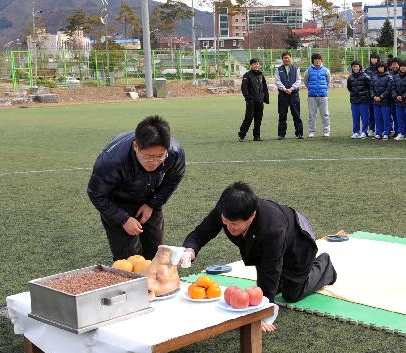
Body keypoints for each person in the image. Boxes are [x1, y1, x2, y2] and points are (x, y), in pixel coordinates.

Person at [182, 182, 336, 333]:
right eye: (225, 222)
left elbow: (270, 269)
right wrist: (190, 250)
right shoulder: (226, 210)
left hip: (299, 241)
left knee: (291, 295)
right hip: (266, 245)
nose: (229, 227)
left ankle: (325, 266)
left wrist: (263, 312)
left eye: (234, 224)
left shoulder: (272, 227)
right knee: (269, 286)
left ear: (253, 215)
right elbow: (201, 233)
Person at [88, 115, 186, 261]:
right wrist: (123, 219)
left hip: (149, 196)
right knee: (129, 257)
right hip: (117, 202)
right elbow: (96, 193)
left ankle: (154, 282)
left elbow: (173, 179)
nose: (154, 162)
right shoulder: (112, 161)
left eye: (160, 156)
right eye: (149, 157)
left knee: (156, 250)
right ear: (135, 147)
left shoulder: (174, 153)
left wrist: (152, 204)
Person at [239, 58, 269, 142]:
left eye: (257, 64)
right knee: (249, 117)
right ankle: (241, 134)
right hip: (251, 101)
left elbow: (264, 87)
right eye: (254, 64)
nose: (256, 65)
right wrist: (248, 99)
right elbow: (244, 88)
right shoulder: (247, 75)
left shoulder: (260, 75)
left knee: (258, 119)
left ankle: (257, 136)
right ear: (251, 65)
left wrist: (265, 98)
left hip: (260, 101)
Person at [274, 52, 303, 140]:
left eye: (288, 58)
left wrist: (291, 88)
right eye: (284, 58)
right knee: (282, 115)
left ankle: (299, 133)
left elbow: (298, 80)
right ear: (282, 59)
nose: (286, 59)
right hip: (283, 95)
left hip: (294, 95)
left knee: (296, 115)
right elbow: (277, 81)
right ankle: (281, 134)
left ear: (291, 58)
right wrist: (285, 89)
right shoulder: (278, 69)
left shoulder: (296, 68)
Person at [304, 53, 331, 138]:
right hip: (312, 96)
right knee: (311, 114)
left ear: (321, 61)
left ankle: (326, 131)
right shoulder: (308, 70)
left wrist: (323, 89)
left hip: (323, 95)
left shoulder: (326, 70)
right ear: (313, 61)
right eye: (315, 59)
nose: (317, 61)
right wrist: (311, 89)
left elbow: (328, 81)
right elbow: (306, 82)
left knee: (325, 114)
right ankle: (312, 131)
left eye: (319, 59)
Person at [347, 60, 372, 138]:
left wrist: (364, 95)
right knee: (355, 117)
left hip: (364, 100)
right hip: (354, 100)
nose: (355, 68)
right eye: (353, 67)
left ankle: (364, 132)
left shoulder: (365, 76)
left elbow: (370, 87)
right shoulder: (350, 77)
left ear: (360, 67)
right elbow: (349, 88)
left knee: (364, 117)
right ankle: (356, 132)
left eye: (356, 66)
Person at [370, 61, 394, 139]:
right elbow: (371, 88)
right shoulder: (374, 77)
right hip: (375, 101)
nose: (380, 68)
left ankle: (386, 133)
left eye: (382, 67)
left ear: (385, 68)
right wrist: (373, 96)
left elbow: (388, 89)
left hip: (385, 102)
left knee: (386, 118)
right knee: (377, 118)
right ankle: (378, 133)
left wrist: (381, 96)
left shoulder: (389, 77)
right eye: (379, 67)